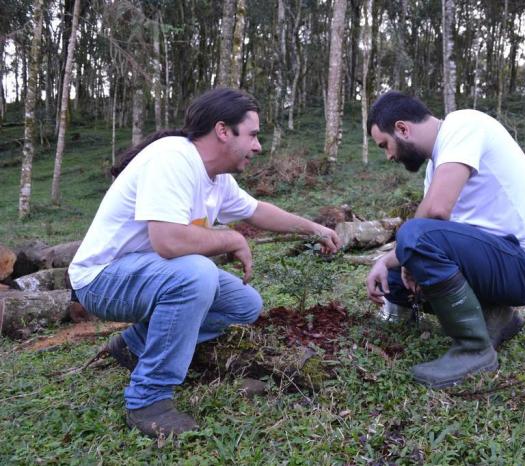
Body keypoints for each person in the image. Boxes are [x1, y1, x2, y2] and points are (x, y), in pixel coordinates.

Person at [68, 88, 340, 437]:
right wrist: (230, 238)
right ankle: (148, 399)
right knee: (196, 274)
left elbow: (257, 210)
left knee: (244, 303)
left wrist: (315, 229)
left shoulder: (217, 178)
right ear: (223, 130)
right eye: (253, 134)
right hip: (101, 280)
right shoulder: (172, 159)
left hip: (145, 274)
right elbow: (168, 241)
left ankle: (132, 345)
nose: (258, 146)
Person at [365, 91, 525, 389]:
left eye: (386, 145)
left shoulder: (463, 125)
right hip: (497, 259)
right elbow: (437, 230)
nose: (389, 155)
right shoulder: (437, 166)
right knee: (395, 271)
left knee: (412, 236)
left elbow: (434, 213)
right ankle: (495, 318)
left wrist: (409, 248)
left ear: (403, 128)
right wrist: (386, 260)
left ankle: (474, 350)